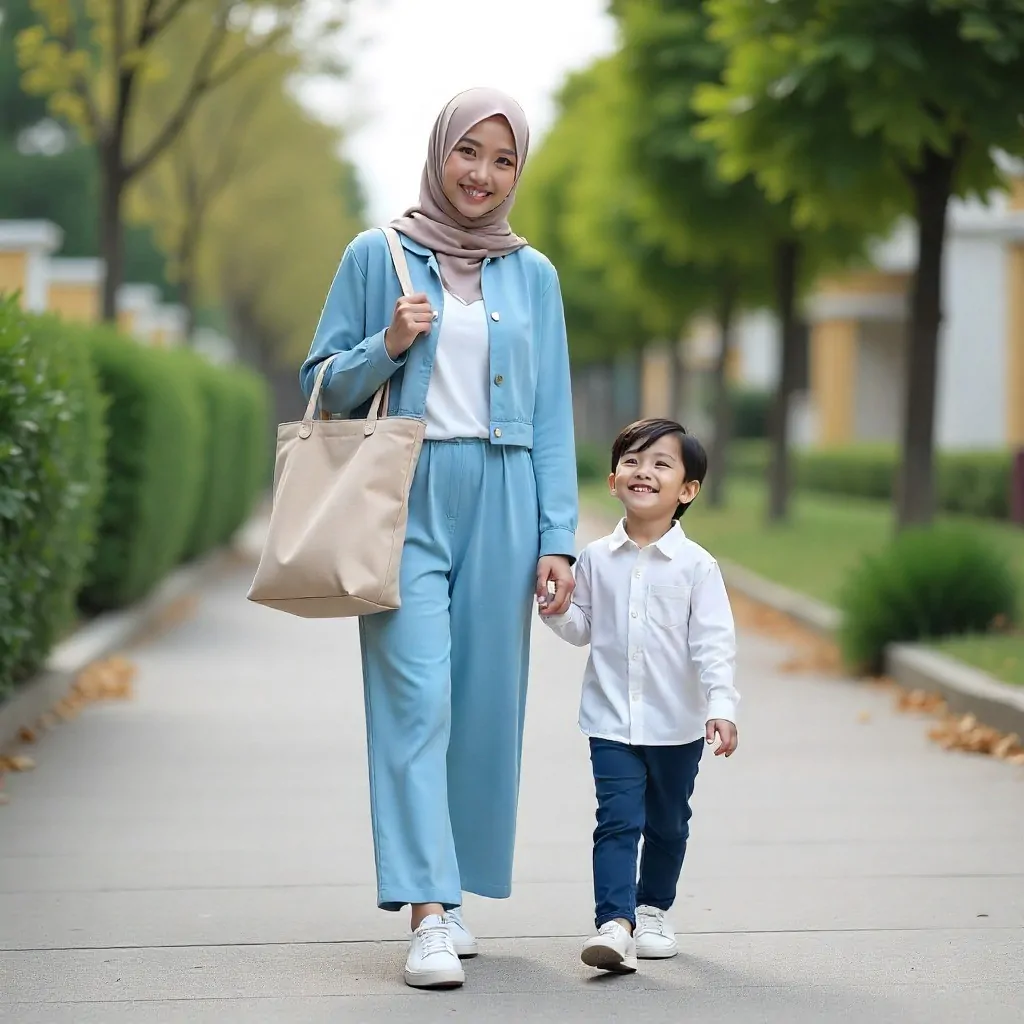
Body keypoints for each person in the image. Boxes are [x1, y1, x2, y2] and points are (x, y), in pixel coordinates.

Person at [298, 88, 578, 990]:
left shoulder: (534, 273)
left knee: (486, 706)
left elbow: (553, 414)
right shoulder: (375, 255)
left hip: (504, 493)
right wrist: (386, 343)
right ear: (439, 152)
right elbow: (322, 385)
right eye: (470, 153)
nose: (483, 176)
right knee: (417, 699)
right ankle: (422, 912)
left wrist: (558, 536)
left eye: (504, 161)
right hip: (401, 493)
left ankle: (454, 893)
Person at [540, 418, 739, 973]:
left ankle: (653, 908)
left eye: (660, 464)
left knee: (668, 822)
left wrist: (722, 706)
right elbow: (584, 628)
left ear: (688, 490)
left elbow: (714, 644)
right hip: (611, 720)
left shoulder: (698, 567)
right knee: (618, 819)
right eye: (631, 461)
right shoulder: (596, 558)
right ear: (612, 480)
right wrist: (557, 611)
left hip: (677, 725)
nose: (643, 471)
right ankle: (614, 923)